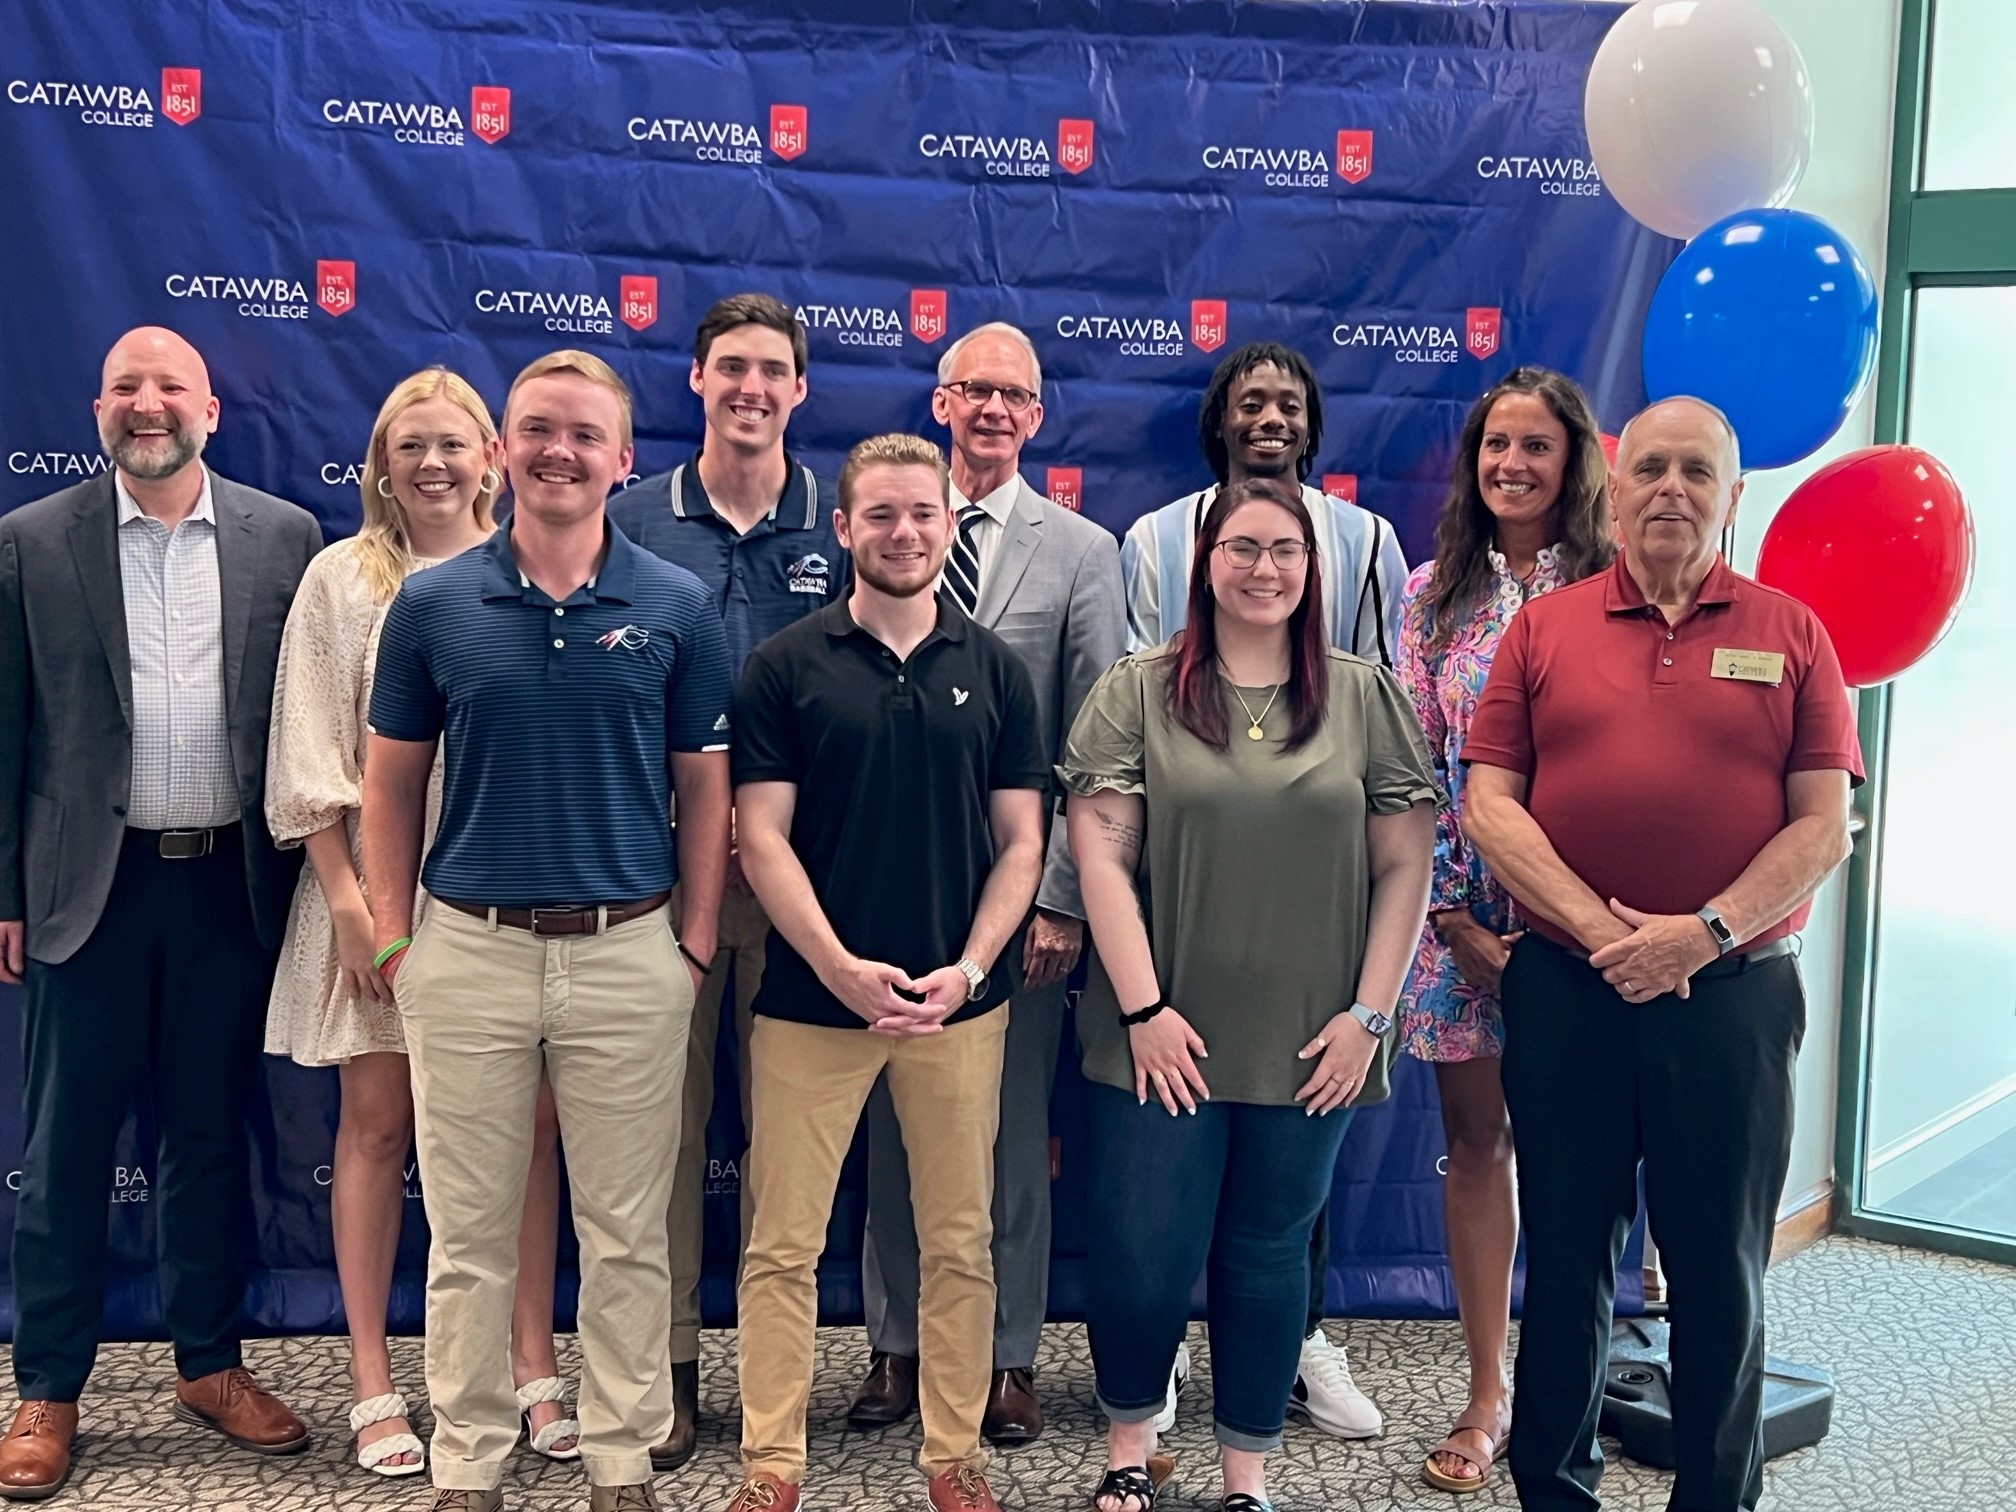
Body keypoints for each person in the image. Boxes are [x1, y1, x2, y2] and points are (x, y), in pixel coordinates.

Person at [1462, 397, 1862, 1512]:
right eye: (1651, 469)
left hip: (1730, 1003)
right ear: (1616, 486)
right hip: (1569, 993)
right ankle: (1554, 1491)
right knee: (1571, 1263)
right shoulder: (1543, 630)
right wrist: (1606, 937)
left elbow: (1823, 825)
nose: (1672, 489)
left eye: (1698, 471)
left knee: (1719, 1274)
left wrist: (1703, 933)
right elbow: (1491, 805)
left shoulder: (1795, 634)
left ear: (1734, 495)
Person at [361, 350, 732, 1512]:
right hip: (467, 950)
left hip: (633, 953)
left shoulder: (678, 606)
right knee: (467, 1239)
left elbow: (708, 790)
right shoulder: (430, 603)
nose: (558, 451)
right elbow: (387, 786)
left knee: (626, 1238)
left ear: (624, 460)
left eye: (584, 433)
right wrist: (391, 942)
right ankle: (468, 1463)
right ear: (502, 451)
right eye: (536, 429)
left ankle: (622, 1463)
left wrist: (696, 943)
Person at [1062, 478, 1437, 1512]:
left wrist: (1370, 1016)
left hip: (1315, 1043)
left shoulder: (1365, 696)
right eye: (1241, 547)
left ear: (1313, 569)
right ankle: (1129, 1454)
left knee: (1270, 1260)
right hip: (1158, 1035)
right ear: (1204, 561)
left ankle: (1246, 1479)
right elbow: (1100, 857)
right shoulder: (1137, 688)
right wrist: (1143, 1011)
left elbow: (1407, 865)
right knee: (1141, 1257)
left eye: (1285, 549)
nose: (1263, 568)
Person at [0, 327, 323, 1500]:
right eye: (128, 386)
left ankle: (207, 1362)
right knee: (65, 1151)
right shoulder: (31, 544)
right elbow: (6, 733)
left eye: (170, 386)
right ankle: (47, 1387)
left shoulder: (286, 539)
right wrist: (4, 892)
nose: (149, 404)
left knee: (204, 1138)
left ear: (211, 411)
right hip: (86, 890)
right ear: (98, 408)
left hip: (227, 890)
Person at [263, 368, 579, 1477]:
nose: (433, 464)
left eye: (453, 443)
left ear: (492, 455)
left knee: (529, 1133)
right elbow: (309, 761)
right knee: (380, 1129)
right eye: (411, 447)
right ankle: (371, 1381)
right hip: (376, 903)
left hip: (516, 899)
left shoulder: (537, 569)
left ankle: (528, 1361)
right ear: (381, 464)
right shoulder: (341, 581)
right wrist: (356, 909)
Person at [725, 433, 1047, 1512]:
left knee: (960, 1240)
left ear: (949, 526)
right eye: (882, 515)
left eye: (923, 514)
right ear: (844, 527)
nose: (903, 532)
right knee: (781, 1247)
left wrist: (969, 967)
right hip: (812, 1006)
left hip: (961, 1011)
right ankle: (772, 1468)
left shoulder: (996, 670)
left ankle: (951, 1459)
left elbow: (1021, 845)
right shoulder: (782, 666)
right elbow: (758, 836)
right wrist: (837, 965)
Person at [1119, 340, 1409, 1437]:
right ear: (1221, 420)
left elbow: (1383, 705)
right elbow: (1140, 701)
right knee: (1173, 1157)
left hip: (1318, 882)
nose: (1272, 417)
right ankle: (1179, 1356)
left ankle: (1299, 1341)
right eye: (1252, 402)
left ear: (1312, 421)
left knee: (1301, 1133)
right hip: (1190, 876)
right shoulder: (1155, 540)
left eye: (1290, 402)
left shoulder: (1367, 541)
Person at [850, 322, 1125, 1445]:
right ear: (940, 400)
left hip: (1018, 906)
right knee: (890, 1127)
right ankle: (895, 1347)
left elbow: (1100, 741)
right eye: (976, 390)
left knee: (1009, 1131)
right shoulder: (888, 529)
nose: (996, 409)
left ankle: (1009, 1355)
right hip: (884, 890)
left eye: (1016, 394)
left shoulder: (1081, 552)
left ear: (1040, 415)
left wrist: (1064, 893)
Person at [608, 294, 846, 1472]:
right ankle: (669, 1372)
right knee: (662, 1136)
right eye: (731, 368)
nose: (752, 388)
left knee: (785, 1151)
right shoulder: (633, 517)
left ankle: (771, 1380)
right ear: (695, 382)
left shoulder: (842, 523)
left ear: (801, 390)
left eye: (773, 371)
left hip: (807, 886)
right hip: (660, 875)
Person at [1392, 367, 1613, 1494]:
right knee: (1478, 1146)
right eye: (1495, 446)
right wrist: (1450, 913)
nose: (1513, 466)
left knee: (1579, 1163)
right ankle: (1488, 1397)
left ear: (1573, 461)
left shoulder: (1615, 587)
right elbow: (1409, 768)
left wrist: (1572, 915)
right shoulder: (1433, 594)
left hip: (1587, 916)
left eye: (1535, 446)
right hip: (1462, 914)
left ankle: (1573, 1388)